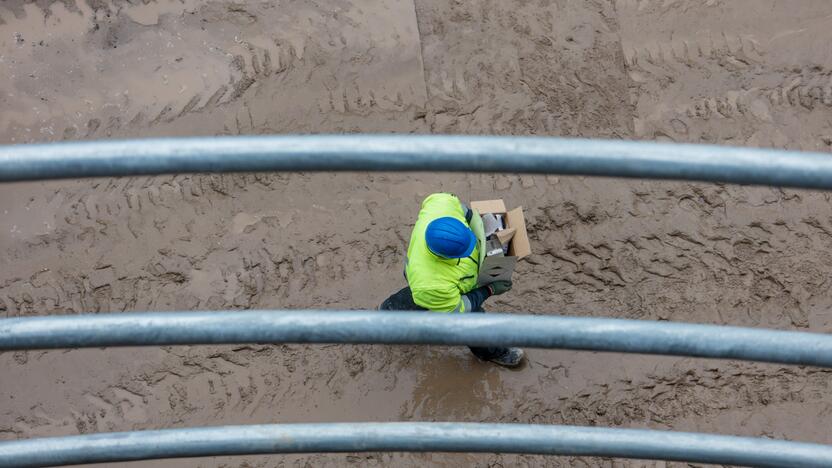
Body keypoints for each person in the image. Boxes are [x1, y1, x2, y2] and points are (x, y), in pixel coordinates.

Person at [380, 192, 525, 367]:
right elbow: (458, 309)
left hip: (421, 278)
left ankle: (389, 311)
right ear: (444, 257)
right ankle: (494, 352)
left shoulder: (442, 204)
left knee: (417, 297)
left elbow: (462, 209)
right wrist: (489, 290)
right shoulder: (433, 285)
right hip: (428, 283)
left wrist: (477, 221)